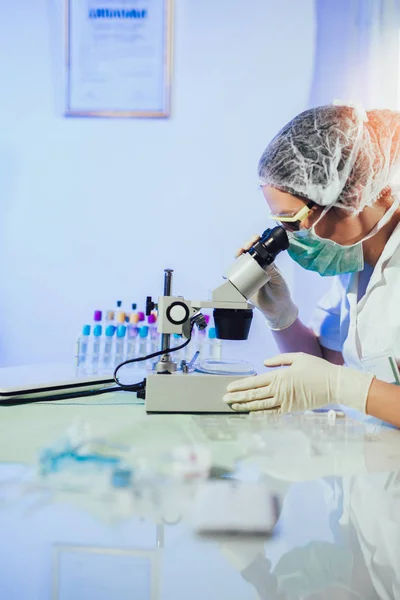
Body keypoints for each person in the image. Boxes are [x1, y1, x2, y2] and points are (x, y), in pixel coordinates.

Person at [223, 103, 400, 428]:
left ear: (350, 196)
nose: (288, 237)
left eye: (291, 222)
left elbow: (334, 382)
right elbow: (323, 366)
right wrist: (282, 315)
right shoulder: (357, 264)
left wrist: (341, 385)